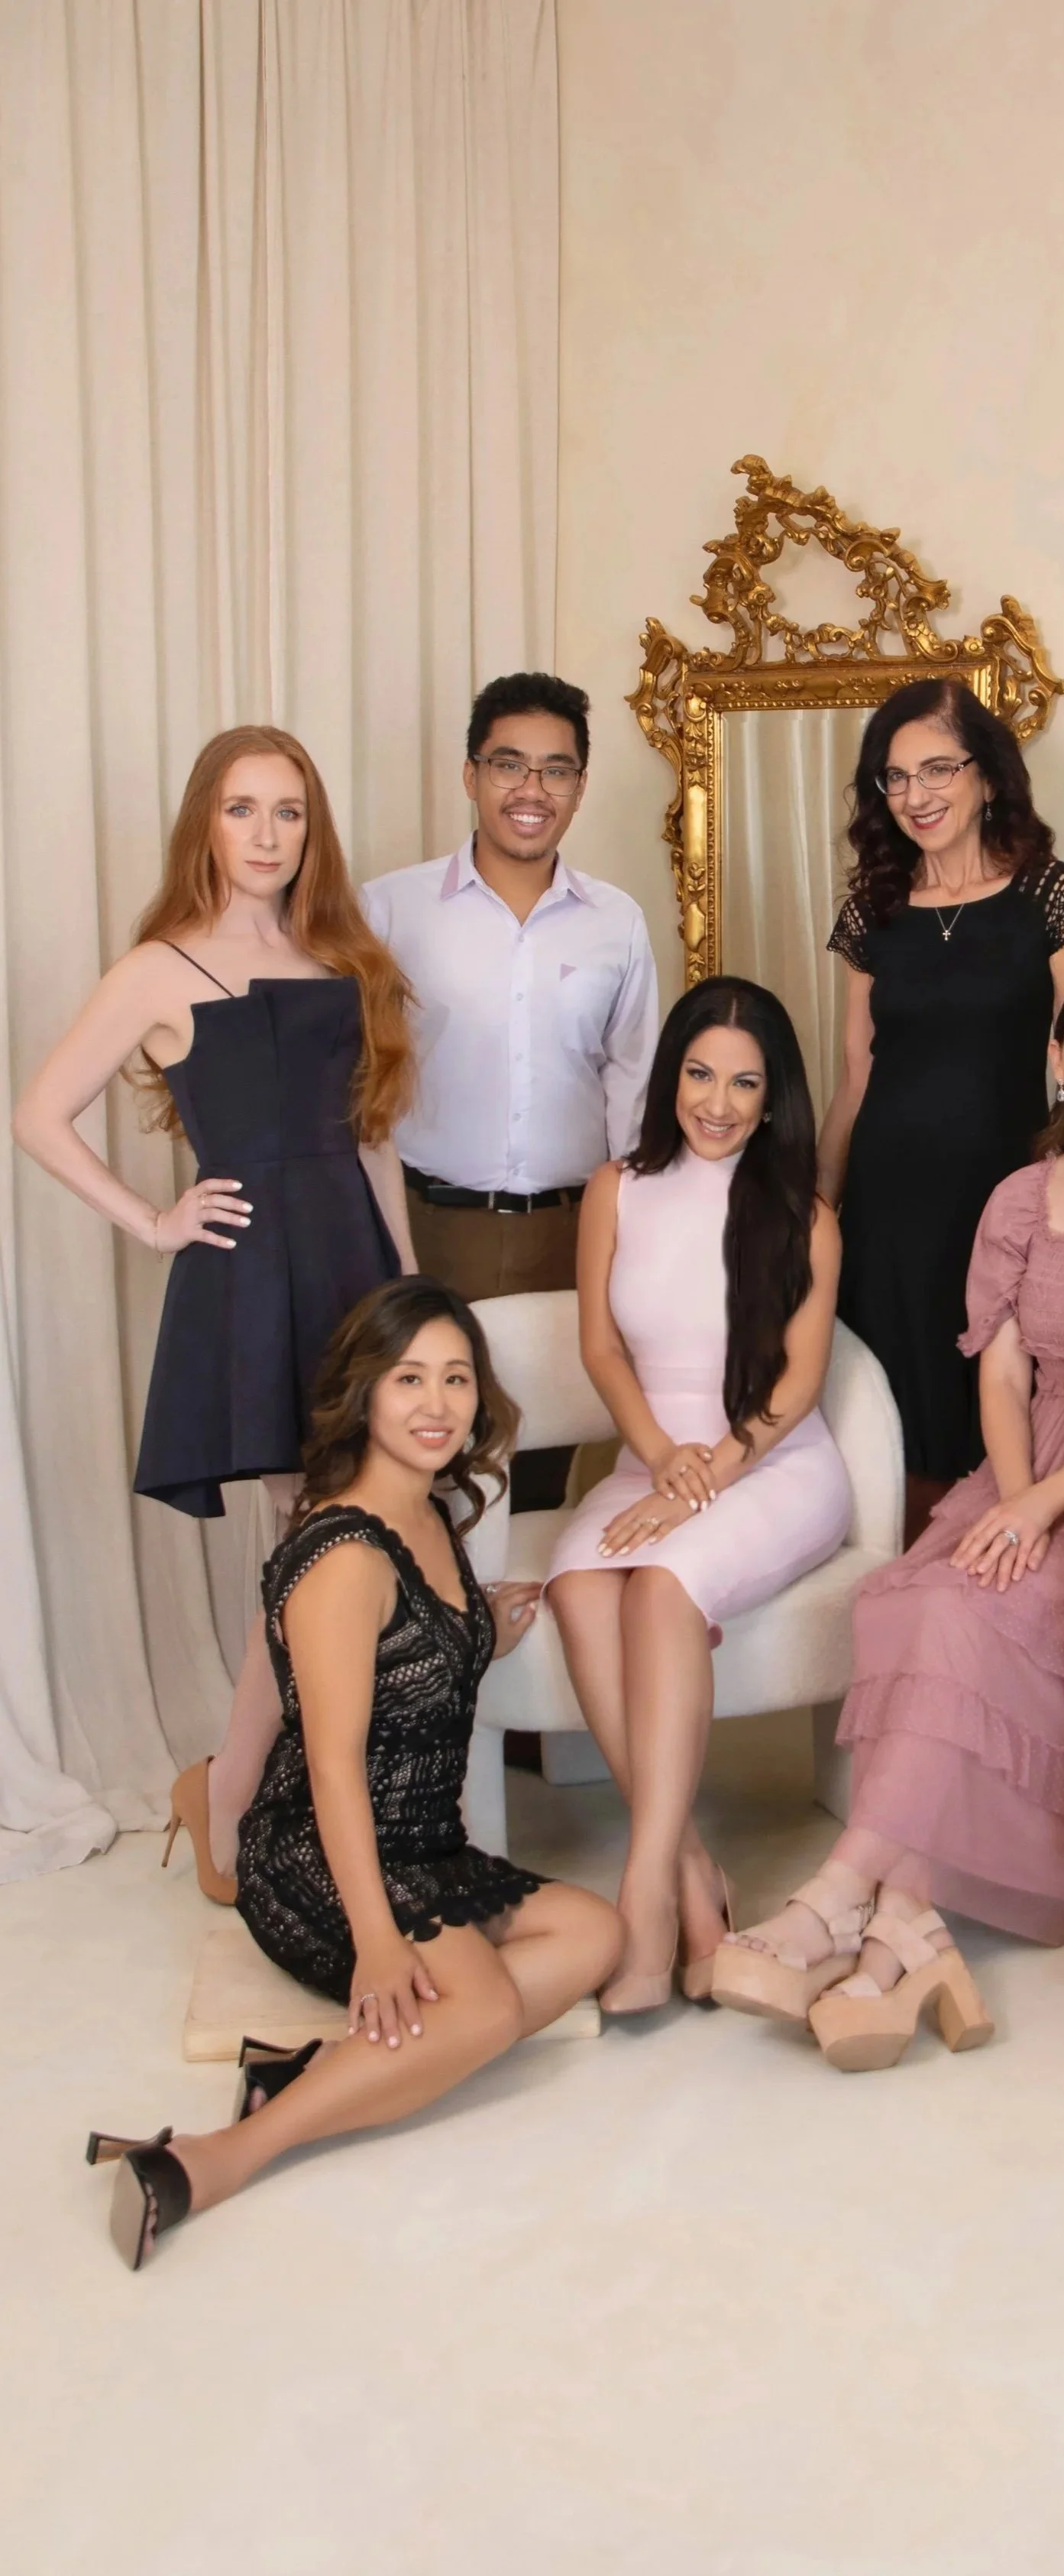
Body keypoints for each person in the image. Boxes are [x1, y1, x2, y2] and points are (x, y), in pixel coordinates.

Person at [713, 966, 1064, 2069]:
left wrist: (1049, 1508)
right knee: (920, 1594)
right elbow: (1002, 1369)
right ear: (1056, 1060)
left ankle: (837, 1898)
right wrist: (1012, 1499)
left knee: (985, 1612)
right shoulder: (1019, 1195)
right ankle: (904, 1925)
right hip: (1026, 1463)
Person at [88, 1278, 620, 2270]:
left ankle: (322, 2068)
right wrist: (377, 1943)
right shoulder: (344, 1550)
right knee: (490, 2006)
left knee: (598, 1932)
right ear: (364, 1392)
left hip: (424, 1844)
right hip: (321, 1856)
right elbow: (332, 1763)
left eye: (456, 1378)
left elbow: (414, 1662)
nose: (436, 1401)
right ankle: (217, 2155)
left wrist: (485, 1627)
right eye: (409, 1376)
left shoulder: (431, 1516)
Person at [12, 725, 416, 1900]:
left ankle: (235, 1786)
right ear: (205, 820)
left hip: (350, 1264)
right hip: (250, 1273)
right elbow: (39, 1115)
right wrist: (151, 1220)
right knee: (310, 1548)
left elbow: (375, 1140)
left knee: (338, 1540)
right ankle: (247, 1792)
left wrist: (413, 1299)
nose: (266, 835)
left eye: (287, 812)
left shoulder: (345, 954)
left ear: (311, 829)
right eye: (242, 809)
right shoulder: (157, 967)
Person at [545, 978, 852, 2014]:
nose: (717, 1102)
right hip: (655, 1457)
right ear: (671, 1073)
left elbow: (798, 1381)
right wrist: (658, 1459)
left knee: (661, 1586)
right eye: (700, 1074)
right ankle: (690, 1874)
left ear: (774, 1098)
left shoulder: (804, 1214)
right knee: (580, 1585)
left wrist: (707, 1471)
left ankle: (644, 1896)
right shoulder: (615, 1187)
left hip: (771, 1461)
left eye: (744, 1083)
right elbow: (598, 1343)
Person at [359, 671, 658, 1510]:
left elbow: (632, 1084)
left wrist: (634, 1234)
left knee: (539, 1469)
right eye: (509, 765)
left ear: (580, 786)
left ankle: (516, 1637)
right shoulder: (388, 910)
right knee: (422, 1466)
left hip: (573, 1232)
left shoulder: (617, 921)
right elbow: (355, 1085)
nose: (532, 789)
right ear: (471, 774)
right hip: (428, 1228)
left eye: (556, 769)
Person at [818, 677, 1064, 1540]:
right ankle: (900, 1621)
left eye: (936, 769)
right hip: (889, 1212)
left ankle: (979, 1616)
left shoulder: (1051, 895)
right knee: (890, 1430)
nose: (916, 795)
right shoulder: (874, 907)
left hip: (1006, 1206)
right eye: (895, 778)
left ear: (986, 775)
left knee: (1000, 1411)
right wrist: (819, 1208)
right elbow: (855, 1073)